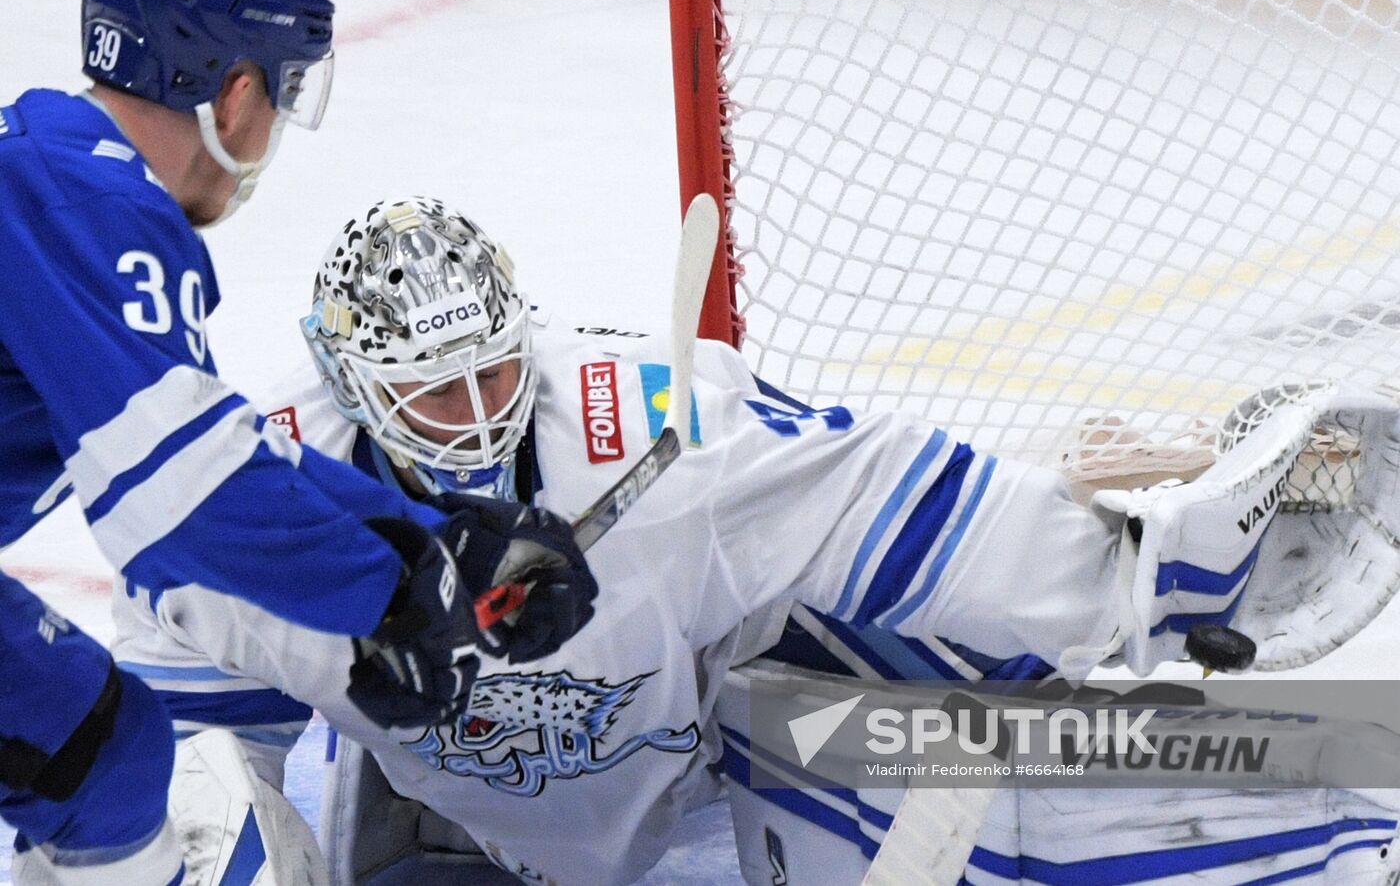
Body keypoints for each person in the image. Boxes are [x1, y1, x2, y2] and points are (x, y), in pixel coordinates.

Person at [111, 195, 1400, 884]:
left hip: (707, 773)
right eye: (432, 395)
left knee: (945, 708)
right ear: (352, 387)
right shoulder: (249, 513)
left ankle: (1314, 830)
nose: (477, 415)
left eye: (497, 373)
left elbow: (872, 492)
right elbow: (151, 732)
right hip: (475, 848)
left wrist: (1137, 573)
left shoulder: (654, 430)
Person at [0, 0, 595, 882]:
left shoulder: (52, 172)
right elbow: (179, 507)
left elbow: (204, 449)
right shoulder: (94, 203)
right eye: (283, 92)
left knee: (102, 752)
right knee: (97, 750)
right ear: (234, 96)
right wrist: (392, 598)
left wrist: (444, 542)